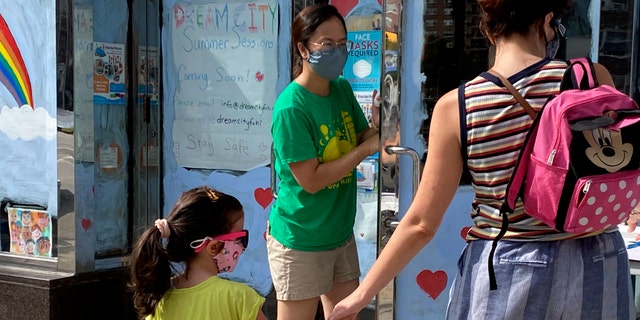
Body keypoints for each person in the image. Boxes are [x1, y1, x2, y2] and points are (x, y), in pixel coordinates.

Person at [329, 1, 636, 319]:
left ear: (488, 30)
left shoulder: (459, 106)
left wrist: (362, 294)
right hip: (599, 259)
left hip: (509, 267)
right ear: (547, 22)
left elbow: (422, 223)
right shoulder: (590, 80)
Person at [268, 4, 379, 320]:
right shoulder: (291, 108)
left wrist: (379, 124)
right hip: (301, 239)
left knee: (346, 316)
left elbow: (364, 137)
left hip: (339, 234)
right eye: (327, 44)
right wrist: (364, 150)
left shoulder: (341, 88)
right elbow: (312, 180)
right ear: (303, 48)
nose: (337, 51)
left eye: (342, 44)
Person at [129, 186, 267, 320]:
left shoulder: (157, 297)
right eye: (240, 238)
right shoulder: (239, 297)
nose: (242, 246)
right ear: (214, 246)